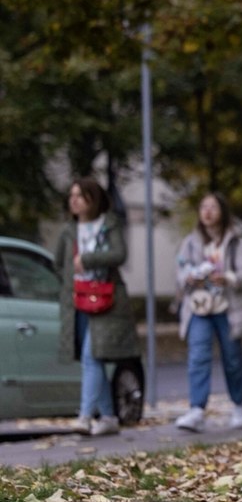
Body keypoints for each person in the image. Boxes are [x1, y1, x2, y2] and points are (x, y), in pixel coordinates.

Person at [54, 177, 140, 436]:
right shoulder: (69, 230)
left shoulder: (109, 224)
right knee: (93, 359)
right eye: (71, 196)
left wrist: (89, 260)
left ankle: (84, 416)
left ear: (94, 199)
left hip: (106, 301)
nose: (74, 200)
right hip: (78, 300)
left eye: (80, 195)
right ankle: (109, 417)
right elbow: (59, 264)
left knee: (93, 355)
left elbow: (119, 254)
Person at [174, 192, 242, 432]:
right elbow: (179, 271)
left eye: (212, 207)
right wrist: (189, 276)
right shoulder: (190, 242)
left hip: (227, 308)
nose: (207, 212)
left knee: (232, 358)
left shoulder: (236, 241)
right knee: (197, 356)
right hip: (199, 308)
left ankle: (239, 405)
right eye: (203, 207)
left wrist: (229, 278)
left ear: (222, 211)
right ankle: (196, 409)